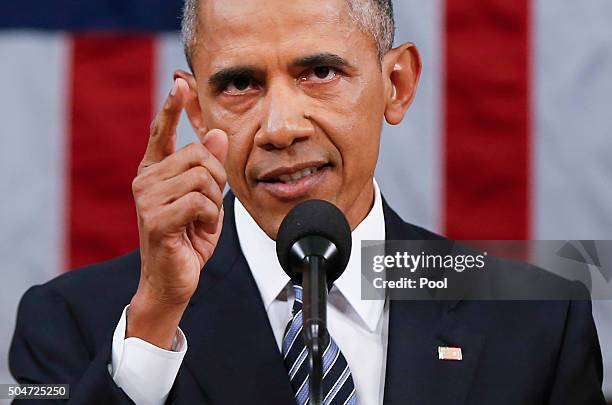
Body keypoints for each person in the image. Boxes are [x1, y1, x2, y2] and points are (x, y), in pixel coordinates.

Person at [9, 0, 606, 404]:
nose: (280, 127)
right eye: (240, 84)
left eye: (319, 71)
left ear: (396, 85)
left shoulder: (538, 317)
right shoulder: (74, 323)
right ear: (198, 112)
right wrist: (154, 328)